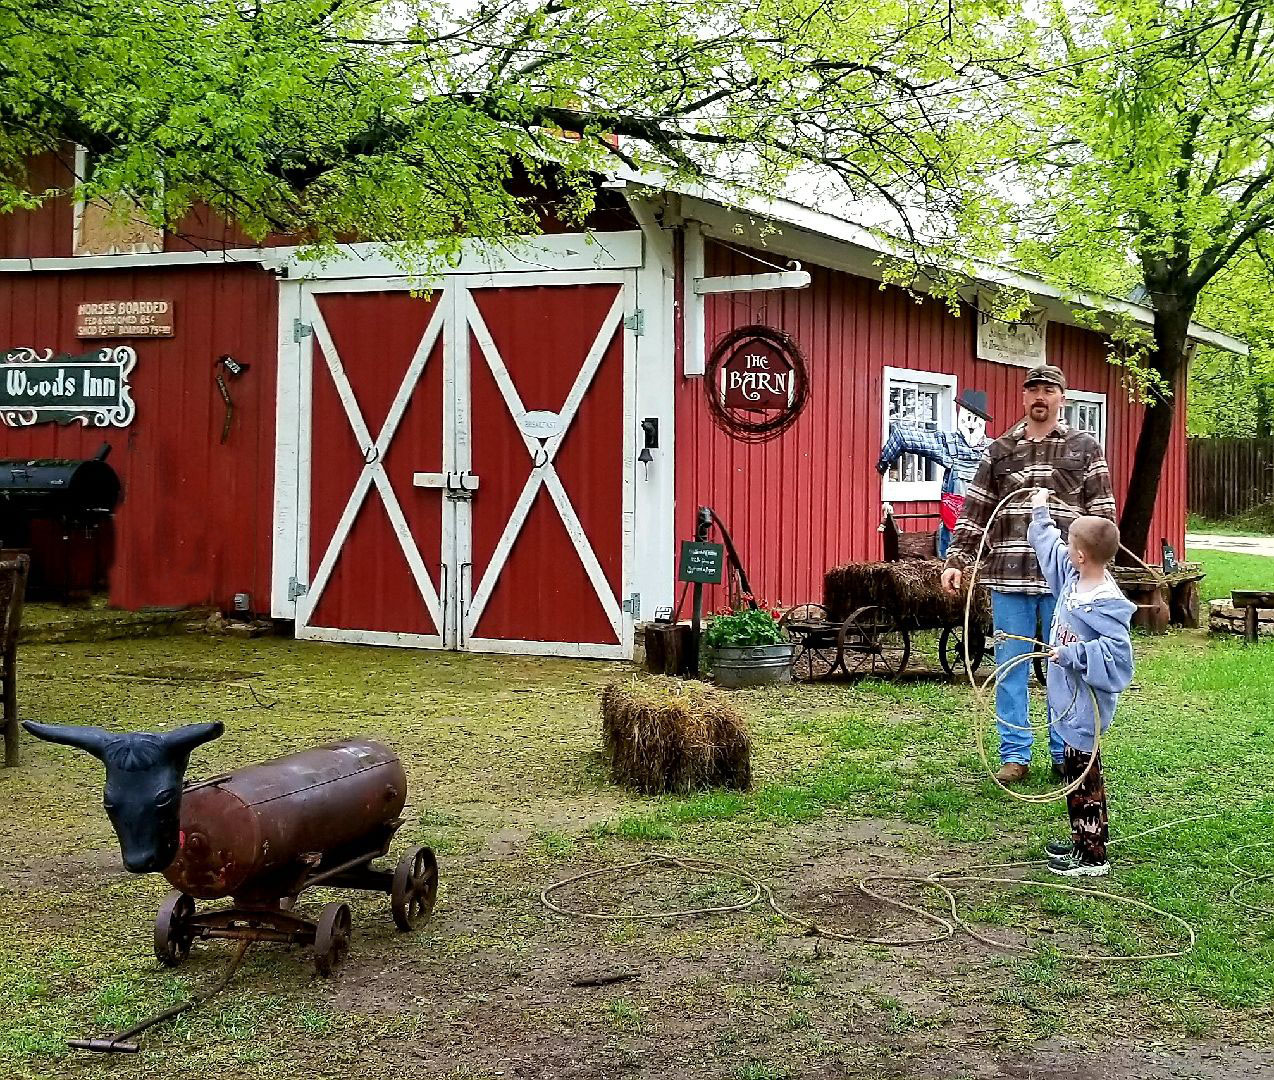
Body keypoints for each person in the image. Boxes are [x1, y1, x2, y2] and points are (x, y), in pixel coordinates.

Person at [940, 364, 1116, 784]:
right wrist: (955, 560)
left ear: (1062, 398)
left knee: (1066, 668)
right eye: (1033, 389)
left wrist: (1096, 571)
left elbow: (1104, 514)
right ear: (1023, 398)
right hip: (1008, 579)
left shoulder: (1084, 447)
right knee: (1009, 668)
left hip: (1066, 583)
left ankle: (1065, 752)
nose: (1040, 396)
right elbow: (976, 508)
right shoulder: (1000, 451)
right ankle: (1015, 756)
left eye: (1049, 389)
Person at [1026, 486, 1135, 876]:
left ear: (1082, 554)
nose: (1066, 551)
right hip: (1067, 701)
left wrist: (1072, 654)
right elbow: (1050, 552)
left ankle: (1092, 857)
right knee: (1076, 776)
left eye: (1071, 544)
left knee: (1085, 781)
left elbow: (1118, 659)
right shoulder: (1074, 580)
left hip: (1086, 709)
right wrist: (1041, 514)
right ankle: (1081, 843)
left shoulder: (1105, 601)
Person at [877, 389, 993, 557]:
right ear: (961, 416)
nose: (971, 424)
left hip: (982, 531)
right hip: (953, 530)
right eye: (968, 418)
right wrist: (884, 463)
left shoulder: (993, 451)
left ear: (982, 422)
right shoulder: (947, 445)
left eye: (975, 419)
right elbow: (903, 436)